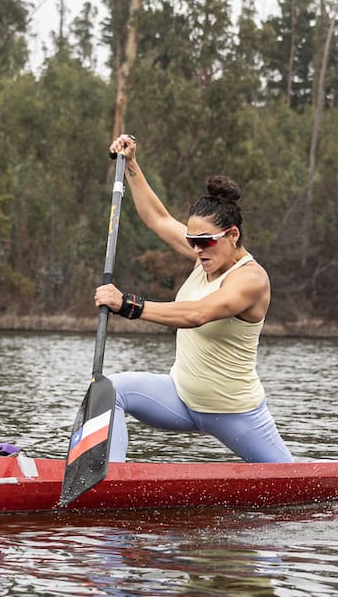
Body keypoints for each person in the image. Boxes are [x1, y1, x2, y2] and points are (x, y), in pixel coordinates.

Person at [93, 133, 292, 464]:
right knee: (109, 390)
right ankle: (106, 477)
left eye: (204, 241)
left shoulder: (251, 280)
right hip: (179, 399)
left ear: (232, 235)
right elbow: (157, 218)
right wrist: (131, 165)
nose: (196, 248)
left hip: (235, 414)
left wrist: (128, 304)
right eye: (191, 240)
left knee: (291, 482)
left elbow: (198, 314)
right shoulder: (206, 254)